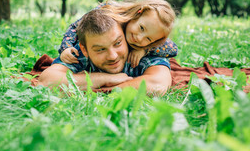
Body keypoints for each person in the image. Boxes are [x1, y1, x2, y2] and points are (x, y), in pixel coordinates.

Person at [38, 7, 173, 96]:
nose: (113, 56)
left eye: (118, 43)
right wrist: (108, 79)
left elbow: (158, 85)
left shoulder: (142, 48)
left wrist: (104, 90)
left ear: (124, 30)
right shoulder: (78, 53)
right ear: (85, 49)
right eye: (100, 49)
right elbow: (48, 81)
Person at [59, 0, 178, 68]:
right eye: (141, 28)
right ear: (138, 12)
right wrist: (66, 47)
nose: (139, 38)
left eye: (148, 39)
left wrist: (144, 49)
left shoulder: (145, 41)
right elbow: (76, 26)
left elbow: (173, 49)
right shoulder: (109, 10)